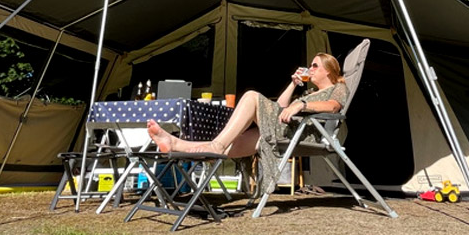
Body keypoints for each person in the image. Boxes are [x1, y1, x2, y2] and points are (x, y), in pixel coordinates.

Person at [146, 53, 349, 191]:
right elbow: (280, 106)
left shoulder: (338, 87)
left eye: (315, 65)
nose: (310, 69)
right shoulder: (309, 92)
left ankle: (214, 145)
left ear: (329, 70)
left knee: (251, 96)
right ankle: (176, 144)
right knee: (233, 144)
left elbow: (333, 107)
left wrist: (301, 105)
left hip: (302, 134)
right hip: (284, 129)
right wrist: (293, 85)